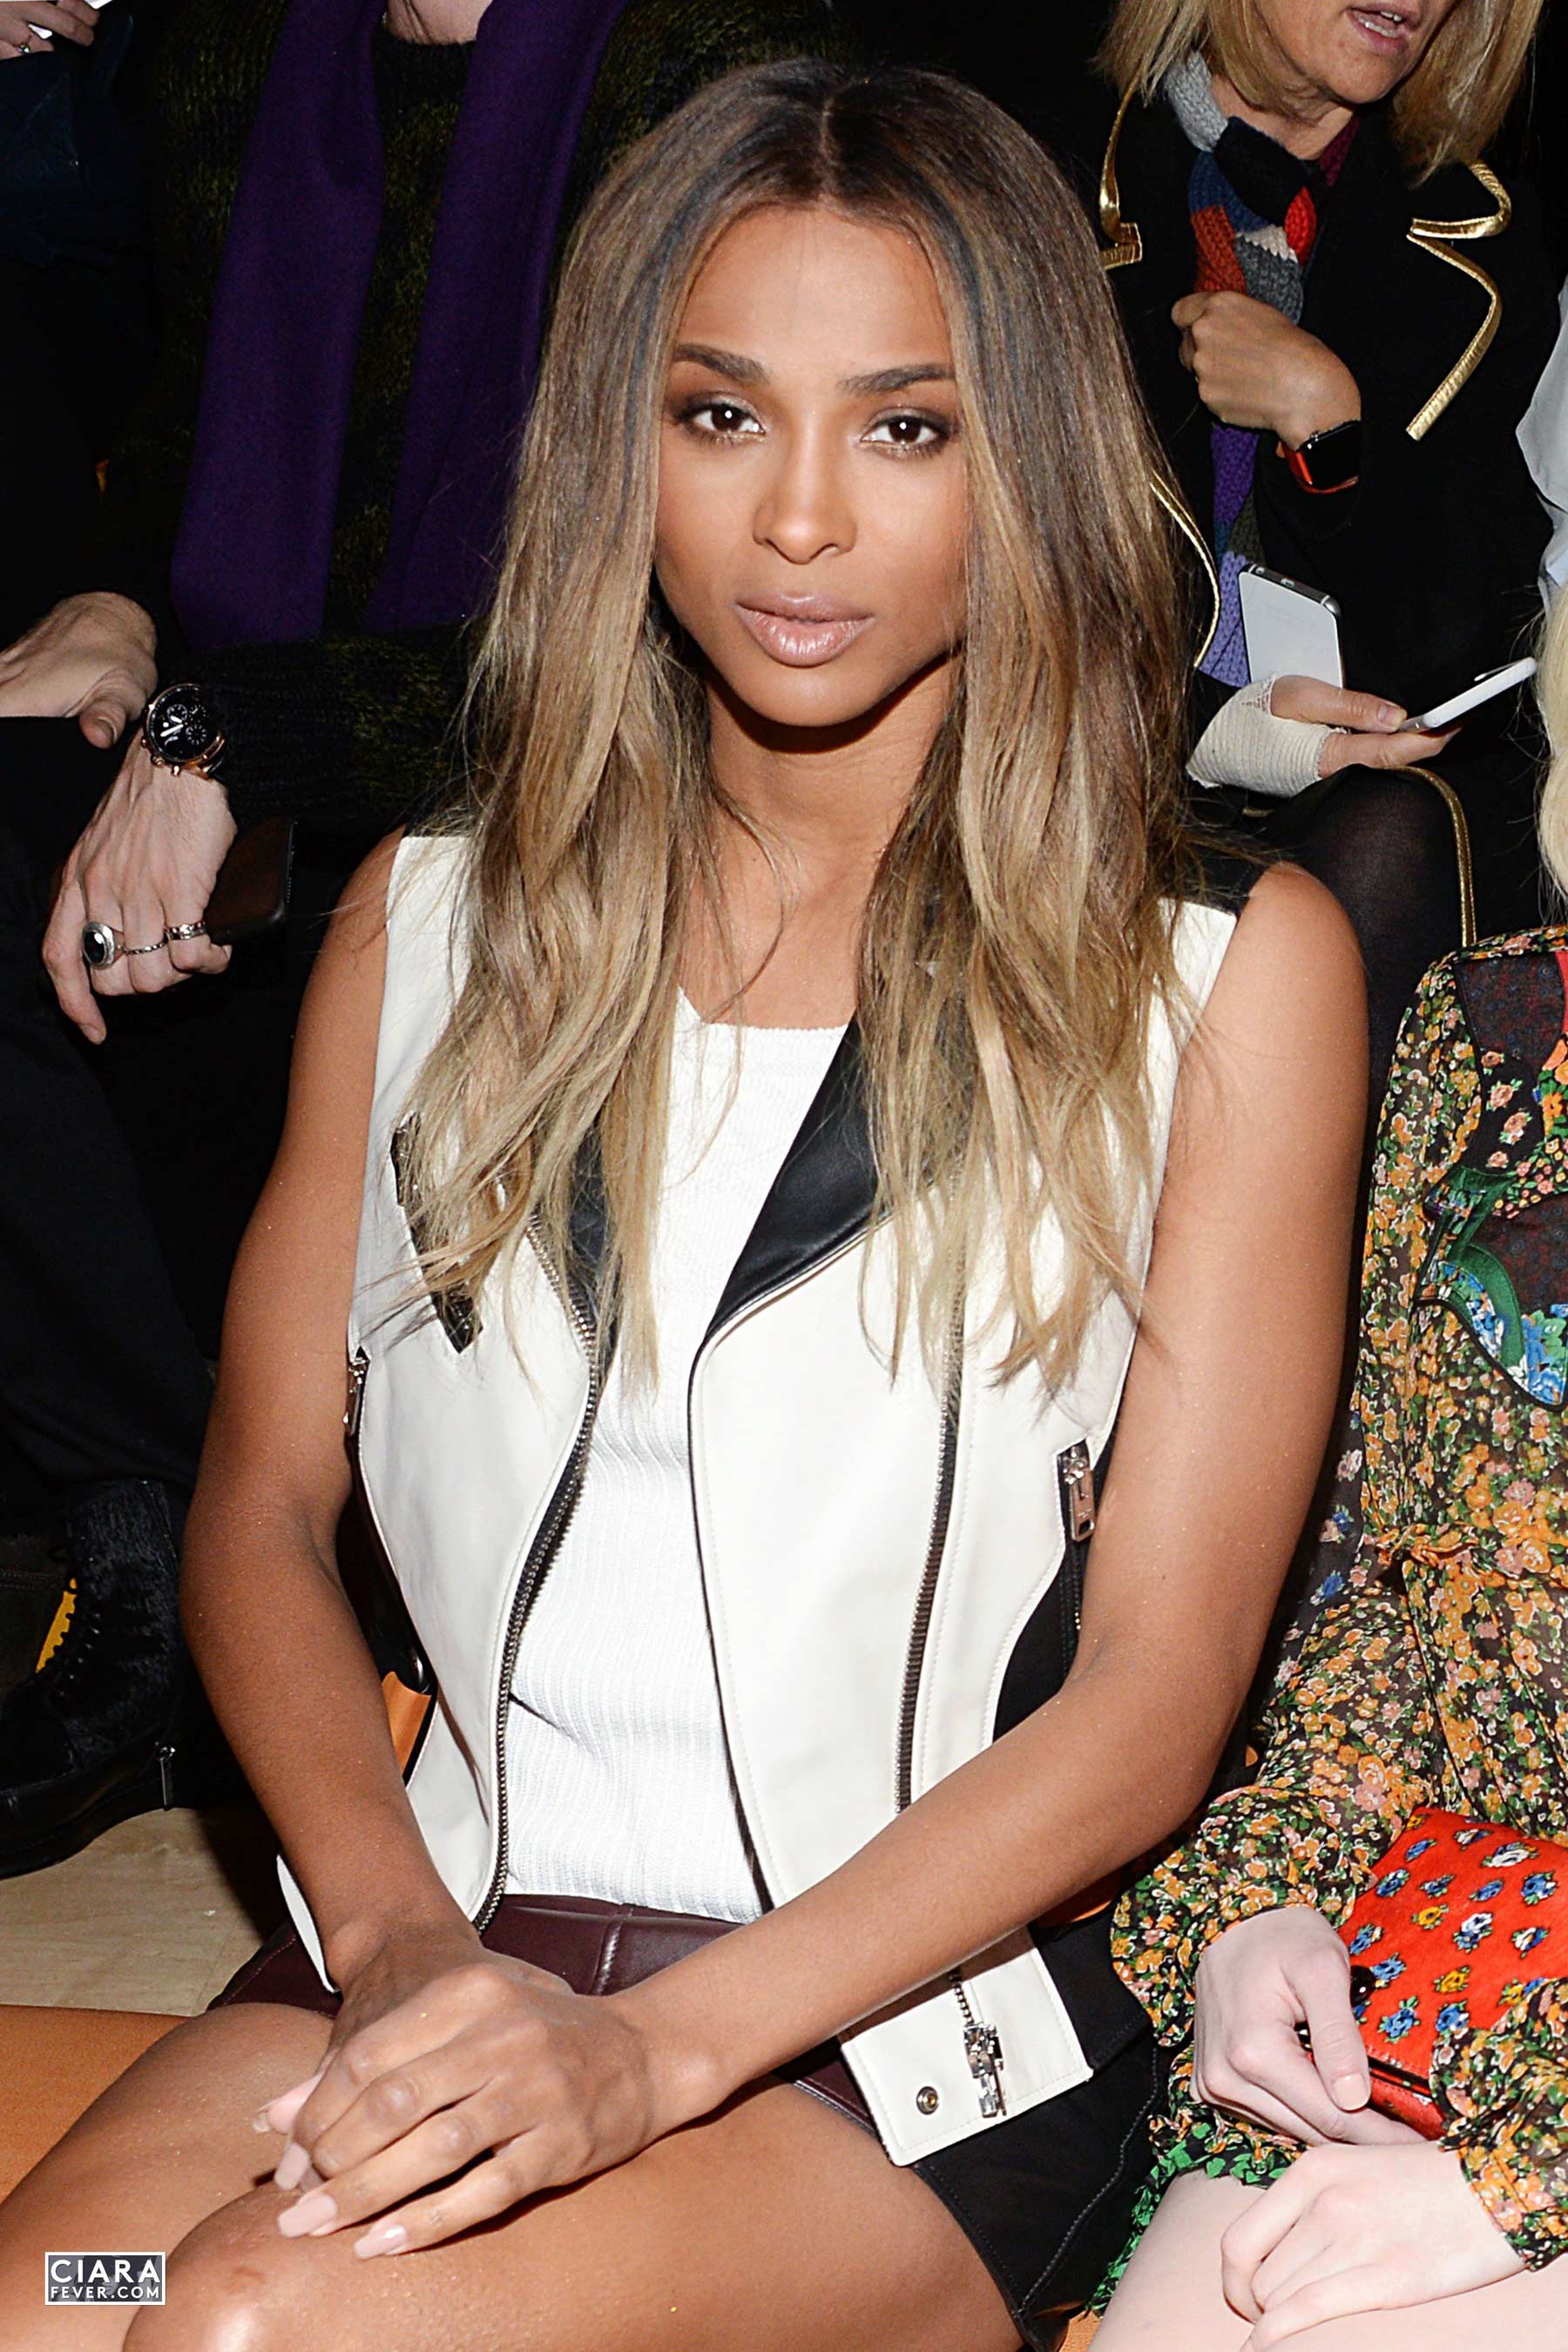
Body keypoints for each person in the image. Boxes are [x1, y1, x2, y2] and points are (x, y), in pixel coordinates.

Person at [0, 57, 1364, 2352]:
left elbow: (1155, 1692)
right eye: (721, 415)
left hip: (899, 2055)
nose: (799, 517)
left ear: (1026, 455)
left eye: (904, 427)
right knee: (72, 2297)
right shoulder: (428, 928)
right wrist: (397, 1940)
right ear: (618, 449)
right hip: (429, 1961)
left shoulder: (1219, 978)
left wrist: (642, 2054)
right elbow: (258, 1506)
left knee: (251, 2326)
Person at [0, 0, 838, 1873]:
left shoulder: (710, 52)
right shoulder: (235, 46)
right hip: (269, 710)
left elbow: (645, 595)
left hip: (601, 735)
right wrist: (125, 611)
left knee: (436, 884)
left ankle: (304, 1565)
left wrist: (227, 738)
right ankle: (154, 1531)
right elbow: (197, 418)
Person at [1099, 586, 1568, 2347]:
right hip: (1476, 1952)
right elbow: (1390, 1585)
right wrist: (1266, 1901)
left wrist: (1522, 2182)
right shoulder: (1493, 1034)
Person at [1066, 0, 1558, 1111]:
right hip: (1098, 752)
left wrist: (1331, 433)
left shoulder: (1485, 231)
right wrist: (1209, 729)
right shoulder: (1040, 174)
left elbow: (1470, 631)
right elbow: (972, 577)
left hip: (1380, 783)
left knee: (1383, 844)